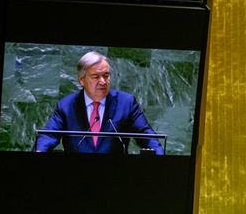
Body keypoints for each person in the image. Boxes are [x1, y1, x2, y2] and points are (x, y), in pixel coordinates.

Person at [34, 51, 164, 154]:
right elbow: (47, 136)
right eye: (96, 76)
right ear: (81, 80)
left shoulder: (126, 103)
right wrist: (40, 151)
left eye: (106, 76)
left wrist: (159, 156)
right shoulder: (66, 105)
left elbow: (148, 137)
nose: (103, 81)